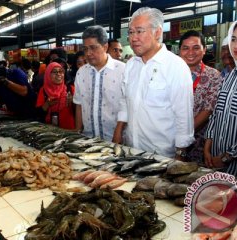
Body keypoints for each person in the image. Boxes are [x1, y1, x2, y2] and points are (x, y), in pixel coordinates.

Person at [113, 7, 194, 158]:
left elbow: (183, 117)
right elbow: (125, 101)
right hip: (131, 149)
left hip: (161, 155)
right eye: (131, 32)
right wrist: (118, 131)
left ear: (157, 32)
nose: (133, 38)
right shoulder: (131, 65)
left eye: (139, 31)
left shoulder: (175, 66)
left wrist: (179, 157)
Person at [204, 18, 237, 179]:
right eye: (233, 39)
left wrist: (227, 157)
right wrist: (208, 142)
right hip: (216, 161)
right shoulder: (231, 75)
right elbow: (217, 112)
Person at [73, 25, 125, 141]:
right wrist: (77, 130)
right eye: (85, 49)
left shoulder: (123, 71)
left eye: (93, 48)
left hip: (115, 140)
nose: (88, 53)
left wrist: (119, 133)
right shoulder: (81, 73)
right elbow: (79, 104)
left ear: (105, 47)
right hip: (88, 140)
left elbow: (127, 106)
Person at [179, 30, 223, 163]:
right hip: (166, 135)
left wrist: (182, 137)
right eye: (185, 48)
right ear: (180, 50)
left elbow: (207, 110)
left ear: (204, 50)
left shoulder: (213, 76)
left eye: (196, 48)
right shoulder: (170, 73)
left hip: (197, 142)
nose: (190, 52)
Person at [36, 62, 75, 129]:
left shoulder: (71, 89)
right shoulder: (43, 90)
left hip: (69, 130)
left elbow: (80, 111)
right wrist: (47, 104)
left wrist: (73, 102)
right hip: (50, 131)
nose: (58, 74)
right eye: (54, 72)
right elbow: (38, 114)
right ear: (48, 74)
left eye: (61, 71)